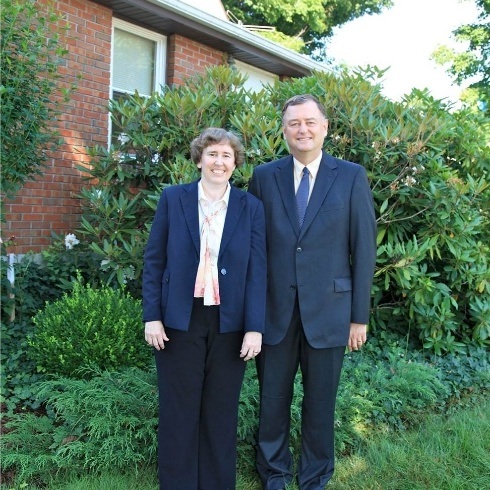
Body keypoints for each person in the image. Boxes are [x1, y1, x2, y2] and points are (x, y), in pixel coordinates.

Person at [248, 94, 377, 490]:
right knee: (272, 400)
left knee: (320, 403)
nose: (301, 130)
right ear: (284, 130)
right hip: (275, 310)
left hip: (331, 310)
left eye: (309, 122)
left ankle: (315, 475)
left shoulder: (351, 176)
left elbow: (364, 248)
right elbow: (252, 247)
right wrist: (250, 315)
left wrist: (359, 317)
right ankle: (273, 473)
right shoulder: (264, 176)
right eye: (293, 123)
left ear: (324, 127)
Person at [143, 127, 267, 490]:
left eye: (227, 156)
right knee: (179, 410)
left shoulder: (250, 207)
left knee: (220, 411)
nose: (219, 161)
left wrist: (254, 327)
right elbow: (154, 261)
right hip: (179, 318)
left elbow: (258, 271)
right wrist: (152, 315)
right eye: (212, 154)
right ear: (199, 159)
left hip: (230, 321)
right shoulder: (174, 199)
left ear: (235, 164)